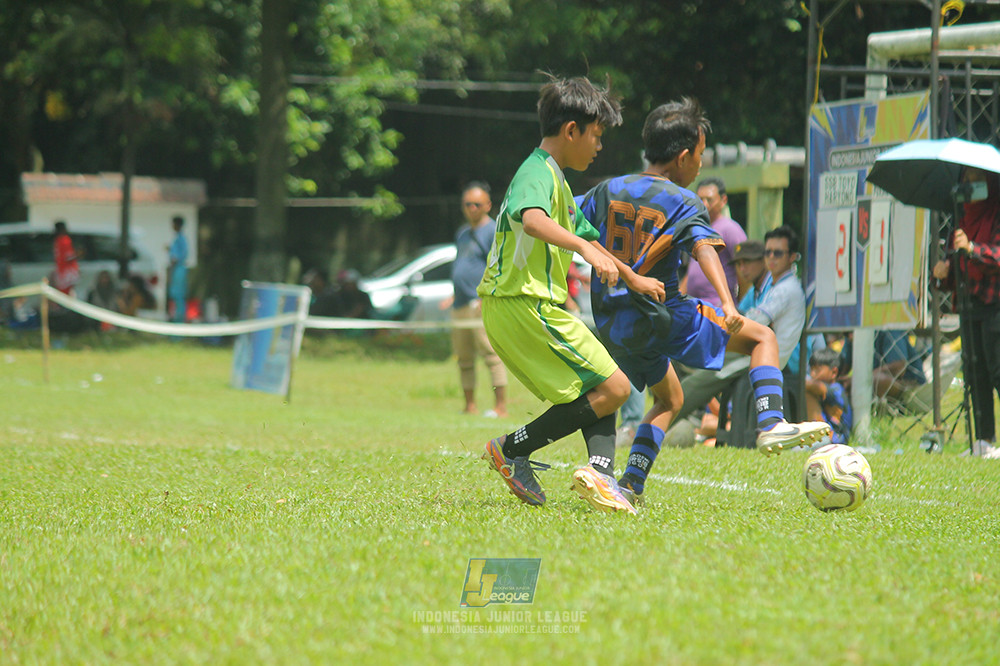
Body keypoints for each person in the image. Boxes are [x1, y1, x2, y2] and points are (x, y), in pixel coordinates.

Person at [577, 98, 829, 503]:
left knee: (671, 398)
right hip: (663, 314)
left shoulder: (609, 189)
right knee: (762, 337)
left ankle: (630, 484)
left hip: (614, 323)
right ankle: (771, 421)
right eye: (699, 155)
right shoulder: (682, 199)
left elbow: (565, 220)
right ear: (681, 157)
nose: (700, 164)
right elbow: (705, 249)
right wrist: (729, 304)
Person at [479, 74, 665, 515]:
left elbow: (591, 238)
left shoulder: (556, 180)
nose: (599, 146)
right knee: (616, 385)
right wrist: (581, 248)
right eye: (596, 135)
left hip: (524, 307)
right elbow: (532, 220)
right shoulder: (536, 171)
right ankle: (512, 449)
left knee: (603, 384)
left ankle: (600, 474)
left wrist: (632, 277)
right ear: (570, 131)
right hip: (521, 304)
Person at [932, 166, 1000, 459]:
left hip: (995, 306)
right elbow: (953, 273)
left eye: (978, 180)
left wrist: (972, 248)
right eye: (967, 180)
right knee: (975, 373)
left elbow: (995, 256)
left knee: (997, 369)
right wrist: (942, 272)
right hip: (969, 306)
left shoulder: (996, 213)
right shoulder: (960, 222)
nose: (971, 186)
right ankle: (984, 442)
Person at [449, 181, 508, 418]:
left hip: (480, 303)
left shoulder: (493, 231)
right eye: (467, 204)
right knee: (463, 358)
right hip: (460, 304)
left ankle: (500, 407)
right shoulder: (462, 233)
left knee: (491, 355)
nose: (471, 208)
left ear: (488, 206)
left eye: (476, 204)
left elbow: (499, 267)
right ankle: (469, 405)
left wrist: (487, 296)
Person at [682, 177, 746, 307]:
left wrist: (738, 306)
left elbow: (744, 271)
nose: (704, 204)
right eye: (700, 199)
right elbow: (692, 271)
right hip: (695, 306)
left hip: (718, 308)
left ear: (723, 201)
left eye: (709, 199)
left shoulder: (730, 228)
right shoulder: (696, 229)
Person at [805, 347, 852, 444]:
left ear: (834, 372)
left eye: (817, 370)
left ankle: (817, 436)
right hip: (829, 438)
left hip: (836, 438)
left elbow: (815, 386)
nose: (812, 374)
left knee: (807, 392)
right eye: (811, 370)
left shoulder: (836, 389)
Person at [167, 216, 189, 323]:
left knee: (178, 297)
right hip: (178, 269)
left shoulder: (180, 239)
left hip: (178, 270)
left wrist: (171, 269)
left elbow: (176, 258)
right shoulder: (178, 238)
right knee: (175, 297)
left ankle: (179, 323)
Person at [52, 220, 81, 295]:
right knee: (68, 295)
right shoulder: (65, 239)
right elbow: (69, 257)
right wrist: (78, 254)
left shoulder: (57, 240)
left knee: (62, 294)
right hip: (67, 272)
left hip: (60, 270)